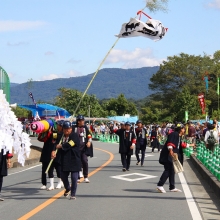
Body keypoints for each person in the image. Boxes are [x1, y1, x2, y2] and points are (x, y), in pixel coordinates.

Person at [157, 123, 193, 193]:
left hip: (172, 155)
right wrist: (170, 150)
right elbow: (170, 143)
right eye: (184, 129)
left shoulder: (178, 136)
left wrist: (191, 145)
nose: (184, 130)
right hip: (168, 155)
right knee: (168, 169)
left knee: (172, 171)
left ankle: (172, 187)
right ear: (181, 129)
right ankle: (160, 185)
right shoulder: (174, 134)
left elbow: (181, 145)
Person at [52, 121, 81, 200]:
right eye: (65, 129)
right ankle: (68, 188)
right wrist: (53, 150)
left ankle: (73, 194)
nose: (66, 130)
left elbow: (70, 144)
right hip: (64, 159)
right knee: (63, 176)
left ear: (71, 129)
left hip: (74, 159)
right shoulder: (61, 136)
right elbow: (55, 143)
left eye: (68, 129)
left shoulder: (74, 136)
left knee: (74, 178)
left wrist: (61, 146)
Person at [72, 115, 92, 183]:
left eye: (83, 120)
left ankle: (86, 176)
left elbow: (89, 135)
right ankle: (77, 177)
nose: (83, 122)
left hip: (84, 148)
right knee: (77, 162)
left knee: (85, 161)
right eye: (81, 120)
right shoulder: (74, 128)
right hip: (76, 148)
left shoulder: (85, 127)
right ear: (78, 121)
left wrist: (89, 142)